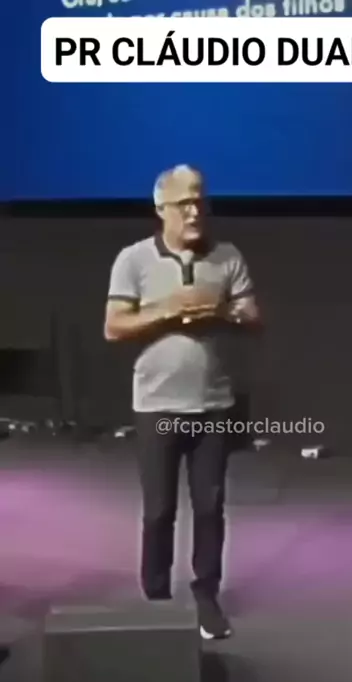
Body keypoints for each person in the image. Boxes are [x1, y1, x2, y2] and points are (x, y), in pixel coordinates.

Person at [104, 165, 261, 640]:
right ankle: (155, 600)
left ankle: (206, 595)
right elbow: (114, 326)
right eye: (184, 204)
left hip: (212, 404)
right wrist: (168, 310)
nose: (194, 211)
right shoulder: (133, 259)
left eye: (200, 202)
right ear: (161, 209)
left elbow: (253, 317)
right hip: (156, 406)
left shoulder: (227, 256)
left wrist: (223, 311)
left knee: (210, 507)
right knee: (159, 511)